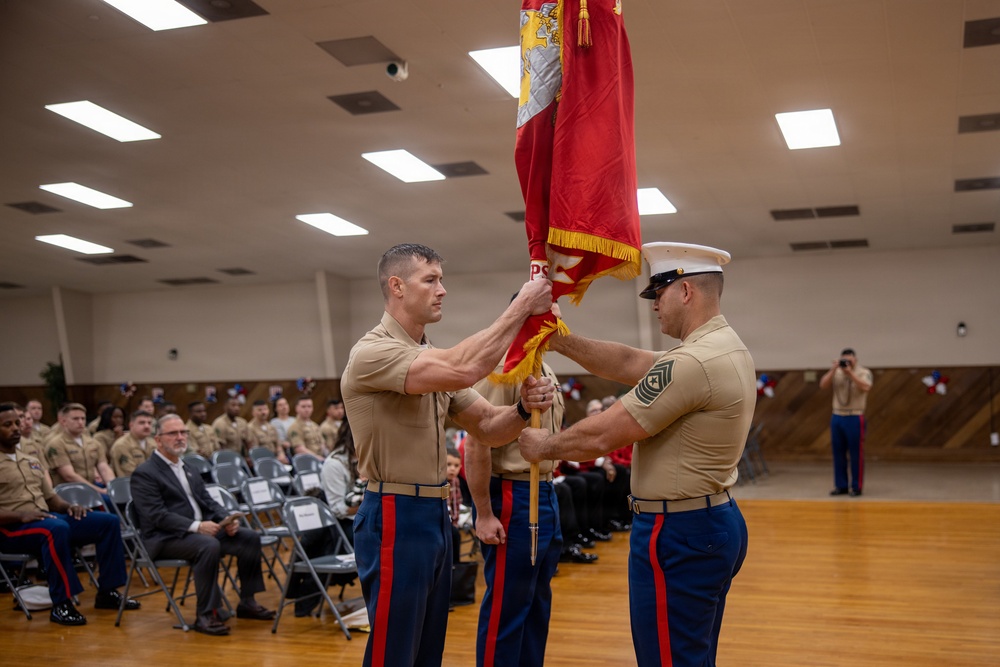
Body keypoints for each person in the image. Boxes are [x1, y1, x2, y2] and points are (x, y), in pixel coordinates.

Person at [519, 241, 754, 667]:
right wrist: (559, 340)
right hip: (709, 520)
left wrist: (544, 446)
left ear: (686, 292)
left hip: (679, 531)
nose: (654, 306)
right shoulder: (722, 346)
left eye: (659, 293)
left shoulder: (693, 363)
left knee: (667, 657)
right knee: (689, 654)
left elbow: (605, 434)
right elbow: (629, 361)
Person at [341, 242, 555, 667]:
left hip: (434, 512)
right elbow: (464, 368)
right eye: (431, 280)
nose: (443, 290)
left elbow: (490, 428)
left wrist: (524, 409)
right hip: (394, 511)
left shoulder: (427, 356)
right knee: (394, 650)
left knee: (427, 649)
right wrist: (520, 309)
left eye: (441, 279)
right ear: (397, 286)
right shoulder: (372, 352)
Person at [130, 414, 275, 636]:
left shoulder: (188, 467)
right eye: (173, 433)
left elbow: (207, 501)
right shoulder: (145, 473)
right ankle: (205, 615)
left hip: (197, 532)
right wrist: (197, 526)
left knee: (249, 538)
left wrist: (227, 519)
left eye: (183, 432)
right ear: (158, 440)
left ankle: (247, 601)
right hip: (164, 538)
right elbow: (156, 516)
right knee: (208, 546)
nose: (180, 437)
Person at [0, 402, 140, 625]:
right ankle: (61, 604)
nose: (16, 428)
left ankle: (108, 591)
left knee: (107, 522)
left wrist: (68, 507)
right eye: (8, 425)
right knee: (56, 529)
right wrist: (21, 516)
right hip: (10, 529)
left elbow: (50, 499)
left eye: (17, 422)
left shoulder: (30, 460)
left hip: (43, 519)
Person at [465, 360, 564, 667]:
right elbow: (477, 440)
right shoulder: (504, 370)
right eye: (547, 317)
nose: (556, 325)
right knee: (508, 606)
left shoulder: (546, 367)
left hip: (545, 489)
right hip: (513, 492)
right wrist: (483, 513)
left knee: (536, 603)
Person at [819, 348, 873, 497]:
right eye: (844, 359)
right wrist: (834, 369)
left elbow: (866, 386)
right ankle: (841, 485)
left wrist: (850, 373)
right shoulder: (837, 372)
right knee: (838, 453)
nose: (847, 362)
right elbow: (823, 385)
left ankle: (856, 486)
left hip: (855, 416)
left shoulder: (863, 372)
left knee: (856, 453)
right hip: (837, 416)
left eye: (849, 359)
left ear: (855, 360)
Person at [45, 403, 116, 494]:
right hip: (69, 493)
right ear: (63, 421)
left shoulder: (93, 443)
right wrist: (99, 491)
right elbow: (69, 476)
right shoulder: (56, 444)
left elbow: (104, 468)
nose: (80, 422)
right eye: (75, 419)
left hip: (91, 489)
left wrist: (112, 488)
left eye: (83, 418)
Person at [320, 417, 360, 544]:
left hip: (367, 517)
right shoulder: (334, 464)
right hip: (347, 523)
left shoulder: (369, 458)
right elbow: (338, 509)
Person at [109, 410, 155, 478]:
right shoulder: (122, 445)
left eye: (149, 423)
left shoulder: (153, 443)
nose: (147, 426)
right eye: (142, 423)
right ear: (131, 425)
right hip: (131, 485)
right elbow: (130, 473)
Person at [287, 396, 324, 461]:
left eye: (309, 406)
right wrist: (318, 458)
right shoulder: (294, 427)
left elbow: (323, 444)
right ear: (297, 408)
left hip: (321, 458)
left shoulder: (315, 425)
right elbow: (299, 449)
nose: (307, 410)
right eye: (303, 407)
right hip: (307, 461)